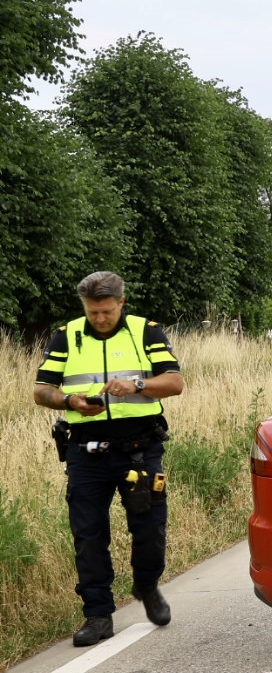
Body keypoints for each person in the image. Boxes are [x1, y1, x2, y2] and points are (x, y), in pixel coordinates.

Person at [33, 272, 184, 646]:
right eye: (92, 311)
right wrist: (71, 402)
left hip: (140, 447)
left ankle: (147, 587)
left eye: (106, 311)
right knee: (88, 535)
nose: (99, 318)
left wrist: (137, 385)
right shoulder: (67, 335)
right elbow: (41, 390)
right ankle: (98, 614)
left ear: (121, 302)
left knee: (150, 530)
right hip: (86, 449)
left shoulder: (145, 331)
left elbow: (175, 382)